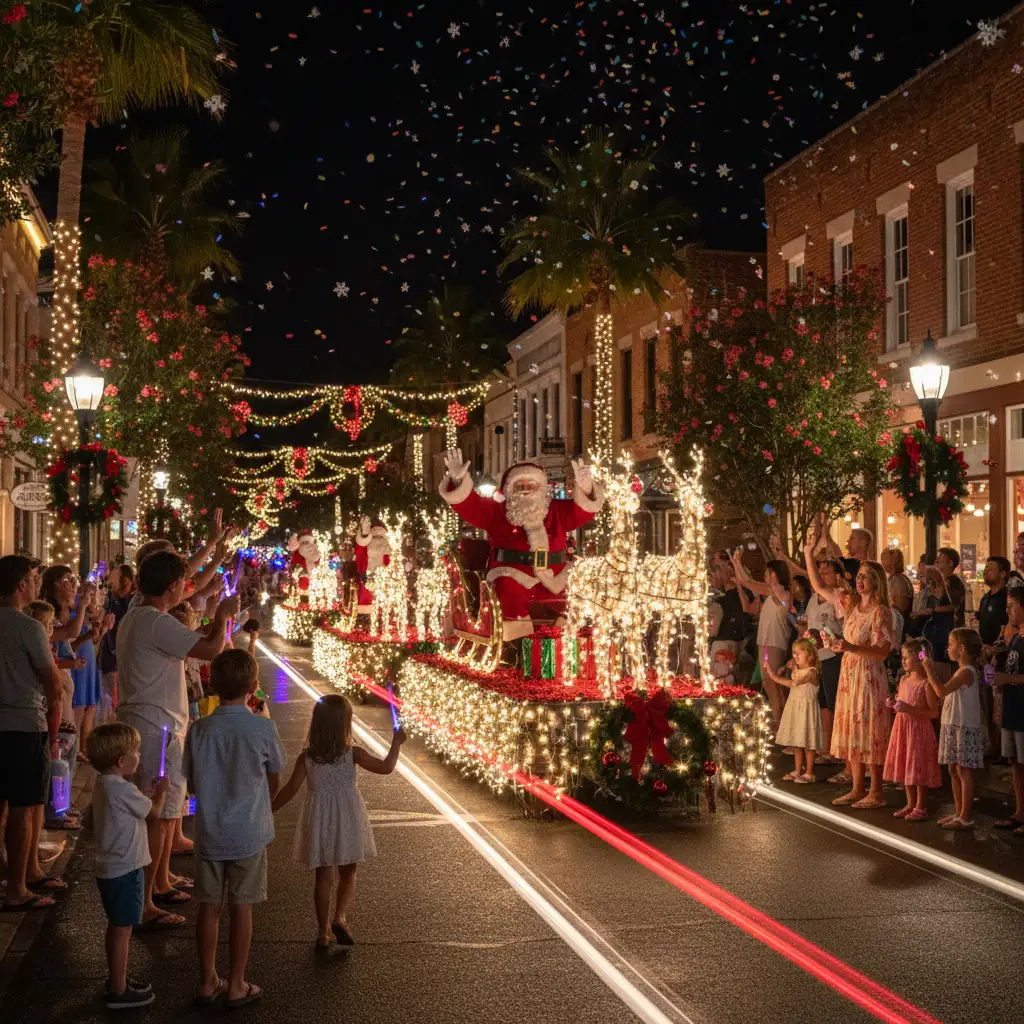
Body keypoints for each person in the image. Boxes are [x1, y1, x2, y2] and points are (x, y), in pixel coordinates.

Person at [117, 551, 239, 930]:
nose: (185, 590)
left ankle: (160, 880)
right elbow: (210, 650)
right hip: (159, 726)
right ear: (171, 587)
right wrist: (222, 615)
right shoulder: (155, 621)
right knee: (159, 813)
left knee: (168, 812)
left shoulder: (138, 617)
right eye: (182, 584)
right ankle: (147, 900)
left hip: (153, 722)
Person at [183, 649, 286, 1008]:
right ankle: (237, 982)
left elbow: (191, 781)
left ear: (213, 685)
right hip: (249, 831)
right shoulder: (262, 727)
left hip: (209, 831)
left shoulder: (199, 729)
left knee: (208, 907)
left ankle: (207, 979)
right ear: (253, 687)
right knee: (242, 907)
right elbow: (275, 774)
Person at [272, 693, 406, 949]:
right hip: (348, 816)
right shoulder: (353, 754)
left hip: (320, 818)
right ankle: (340, 916)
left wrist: (268, 809)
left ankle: (323, 932)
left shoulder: (307, 757)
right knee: (349, 871)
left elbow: (290, 790)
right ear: (346, 723)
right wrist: (396, 743)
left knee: (323, 876)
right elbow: (386, 767)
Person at [87, 722, 169, 1010]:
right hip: (127, 868)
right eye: (136, 752)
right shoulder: (123, 789)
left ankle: (116, 978)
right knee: (124, 930)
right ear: (121, 762)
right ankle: (119, 991)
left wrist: (144, 794)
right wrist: (161, 791)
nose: (140, 755)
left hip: (109, 869)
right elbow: (155, 813)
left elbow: (131, 807)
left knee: (115, 927)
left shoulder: (105, 785)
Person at [0, 555, 65, 911]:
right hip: (23, 725)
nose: (37, 583)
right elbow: (51, 680)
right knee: (24, 809)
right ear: (21, 586)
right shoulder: (29, 627)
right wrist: (48, 704)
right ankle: (17, 888)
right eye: (33, 578)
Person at [828, 560, 894, 809]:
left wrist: (852, 648)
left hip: (868, 676)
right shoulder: (854, 607)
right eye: (859, 575)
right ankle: (857, 788)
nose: (860, 580)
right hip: (850, 673)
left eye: (866, 576)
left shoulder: (881, 612)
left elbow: (882, 652)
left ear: (877, 582)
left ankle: (876, 791)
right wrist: (836, 644)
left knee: (870, 730)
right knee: (853, 728)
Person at [925, 627, 985, 829]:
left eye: (951, 644)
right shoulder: (960, 671)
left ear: (961, 648)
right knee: (953, 768)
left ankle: (966, 816)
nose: (947, 648)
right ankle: (958, 812)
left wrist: (929, 671)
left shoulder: (967, 672)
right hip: (953, 724)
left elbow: (941, 691)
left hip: (964, 727)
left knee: (963, 771)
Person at [730, 551, 793, 731]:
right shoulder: (769, 592)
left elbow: (784, 607)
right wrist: (737, 564)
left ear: (776, 574)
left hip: (775, 642)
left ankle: (778, 721)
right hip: (764, 643)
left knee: (773, 680)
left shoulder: (783, 592)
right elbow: (747, 583)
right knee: (766, 680)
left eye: (769, 572)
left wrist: (738, 565)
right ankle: (777, 720)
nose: (766, 576)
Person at [883, 638, 940, 821]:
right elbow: (902, 702)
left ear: (919, 658)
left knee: (918, 766)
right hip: (903, 727)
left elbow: (933, 713)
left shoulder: (926, 684)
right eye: (903, 657)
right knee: (907, 764)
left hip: (918, 730)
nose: (903, 661)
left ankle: (920, 806)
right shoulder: (904, 679)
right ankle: (909, 803)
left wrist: (909, 709)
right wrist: (893, 704)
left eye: (907, 657)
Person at [988, 586, 1024, 834]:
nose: (1008, 610)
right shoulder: (1017, 638)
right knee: (1015, 761)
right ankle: (1020, 811)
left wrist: (1007, 680)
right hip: (1012, 706)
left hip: (1022, 709)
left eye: (1012, 605)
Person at [761, 639, 823, 783]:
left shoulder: (812, 672)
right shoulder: (799, 671)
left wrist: (794, 668)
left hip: (806, 711)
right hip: (796, 710)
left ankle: (809, 772)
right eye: (793, 653)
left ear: (809, 655)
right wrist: (771, 672)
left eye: (798, 653)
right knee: (796, 742)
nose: (794, 655)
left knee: (808, 743)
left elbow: (797, 680)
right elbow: (786, 682)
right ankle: (797, 769)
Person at [98, 564, 135, 725]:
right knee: (111, 699)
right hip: (110, 656)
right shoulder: (109, 600)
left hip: (123, 656)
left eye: (128, 583)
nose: (125, 586)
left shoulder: (131, 602)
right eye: (122, 582)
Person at [978, 557, 1010, 647]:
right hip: (985, 651)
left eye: (990, 569)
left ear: (1003, 574)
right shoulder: (985, 598)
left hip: (1003, 651)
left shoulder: (1009, 598)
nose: (985, 571)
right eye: (985, 568)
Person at [935, 547, 966, 629]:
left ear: (950, 563)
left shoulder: (954, 581)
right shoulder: (940, 581)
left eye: (941, 557)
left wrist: (933, 609)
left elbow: (955, 606)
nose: (937, 560)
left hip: (951, 627)